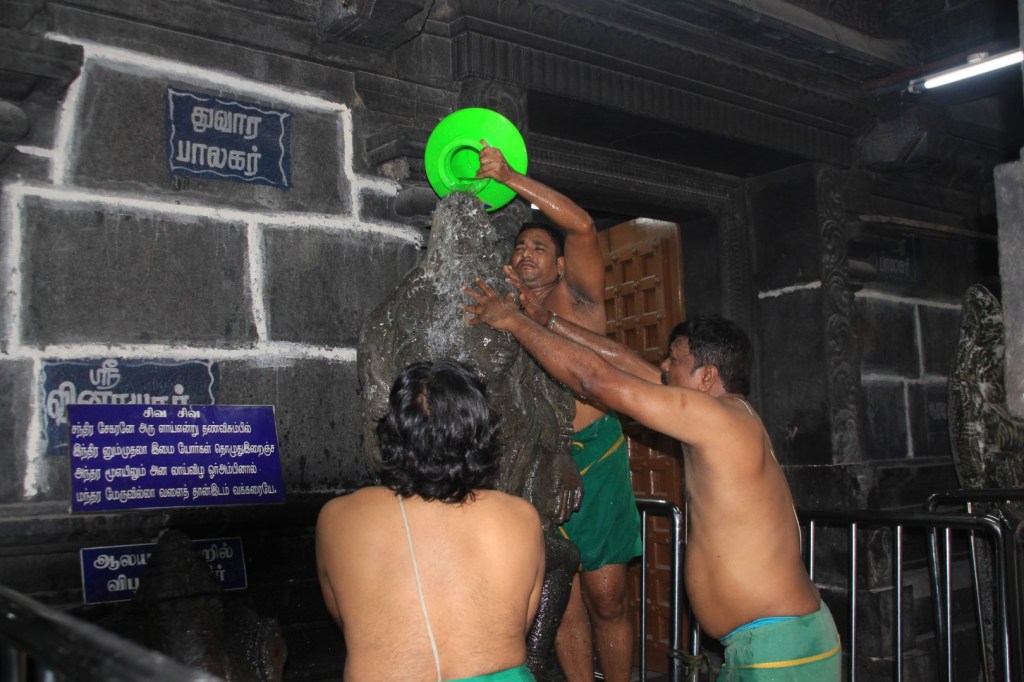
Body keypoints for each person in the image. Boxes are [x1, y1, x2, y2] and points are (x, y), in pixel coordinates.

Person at [462, 283, 842, 681]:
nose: (663, 366)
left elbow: (594, 379)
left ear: (707, 375)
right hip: (772, 643)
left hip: (780, 649)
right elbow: (625, 363)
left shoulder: (718, 420)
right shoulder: (723, 414)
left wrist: (514, 321)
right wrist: (548, 321)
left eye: (674, 360)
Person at [476, 144, 642, 682]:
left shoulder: (579, 299)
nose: (526, 252)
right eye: (520, 246)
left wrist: (508, 176)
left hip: (596, 455)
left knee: (607, 595)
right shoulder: (504, 311)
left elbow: (583, 224)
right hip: (538, 458)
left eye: (539, 246)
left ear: (561, 263)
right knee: (561, 595)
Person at [316, 359, 545, 682]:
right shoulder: (521, 517)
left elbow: (344, 616)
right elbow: (520, 622)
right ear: (482, 434)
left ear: (393, 431)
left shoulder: (337, 517)